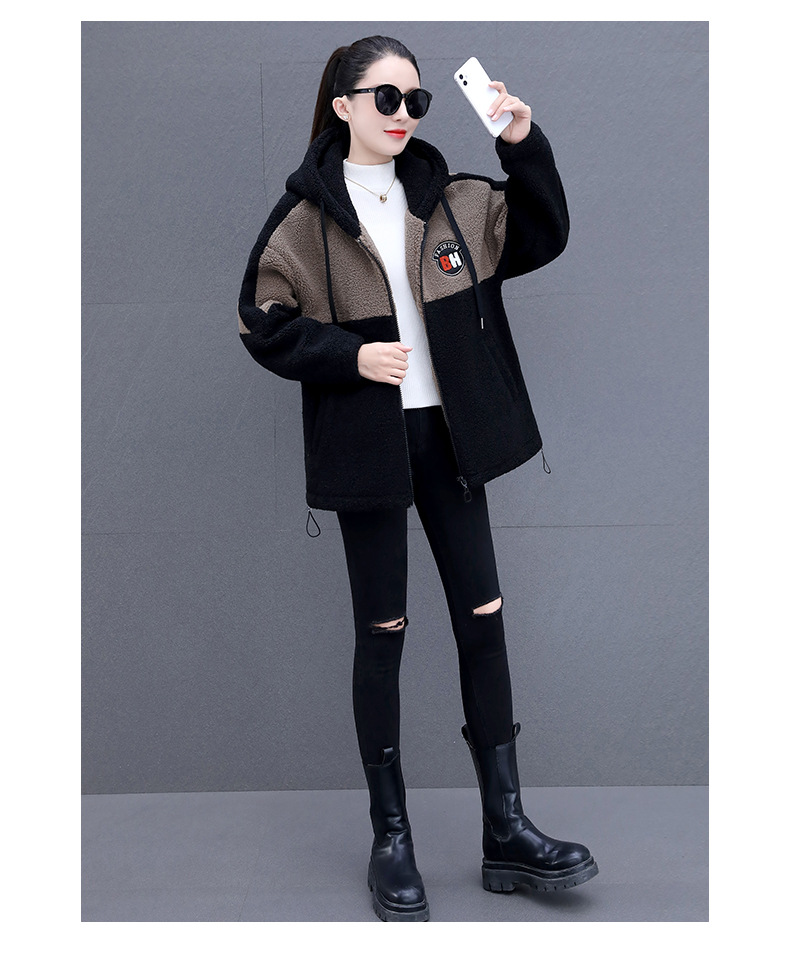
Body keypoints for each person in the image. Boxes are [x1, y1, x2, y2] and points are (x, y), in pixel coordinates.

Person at [237, 35, 598, 923]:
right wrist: (350, 356)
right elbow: (260, 320)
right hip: (371, 447)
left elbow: (544, 231)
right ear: (344, 106)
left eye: (417, 101)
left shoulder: (457, 199)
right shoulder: (305, 220)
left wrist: (521, 141)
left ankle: (505, 828)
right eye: (387, 99)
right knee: (383, 631)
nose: (404, 115)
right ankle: (390, 836)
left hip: (452, 440)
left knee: (484, 617)